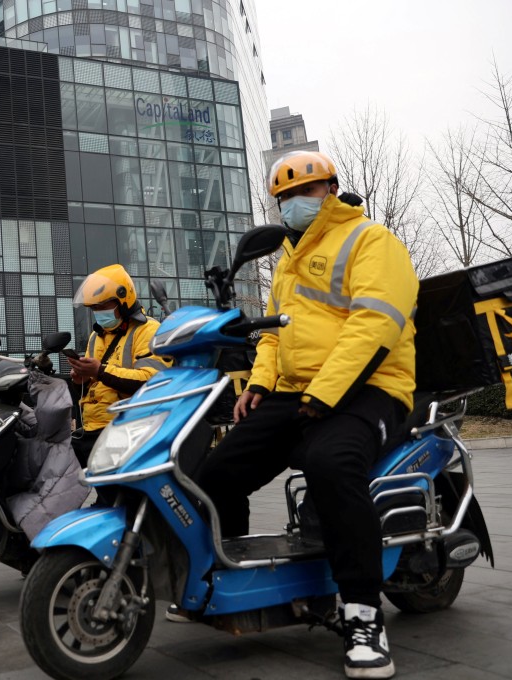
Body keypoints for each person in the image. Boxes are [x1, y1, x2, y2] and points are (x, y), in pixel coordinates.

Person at [168, 151, 417, 680]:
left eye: (307, 191)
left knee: (331, 464)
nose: (296, 203)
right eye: (285, 197)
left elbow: (375, 325)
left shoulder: (371, 239)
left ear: (331, 189)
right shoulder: (285, 261)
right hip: (301, 394)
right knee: (212, 473)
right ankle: (221, 581)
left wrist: (323, 396)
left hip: (371, 388)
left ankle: (364, 614)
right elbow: (276, 336)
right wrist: (259, 386)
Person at [66, 264, 171, 467]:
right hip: (94, 430)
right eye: (94, 308)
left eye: (103, 305)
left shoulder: (148, 330)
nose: (98, 312)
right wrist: (82, 380)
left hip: (129, 430)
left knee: (125, 496)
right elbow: (93, 388)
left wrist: (99, 371)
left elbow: (152, 380)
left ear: (123, 300)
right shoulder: (95, 338)